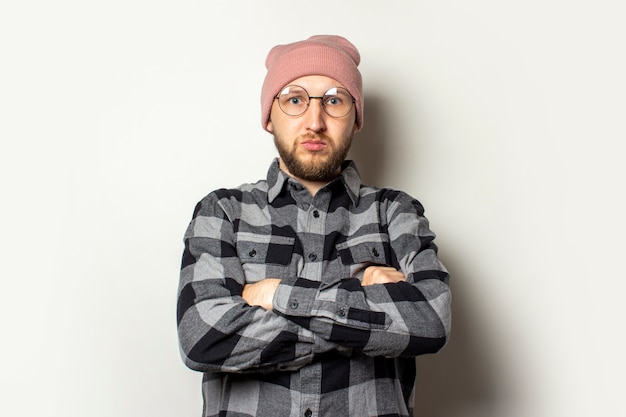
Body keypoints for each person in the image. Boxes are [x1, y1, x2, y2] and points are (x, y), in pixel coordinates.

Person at [177, 35, 451, 417]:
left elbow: (430, 321)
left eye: (334, 100)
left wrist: (276, 295)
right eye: (294, 99)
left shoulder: (395, 212)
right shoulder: (222, 211)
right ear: (270, 117)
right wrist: (364, 309)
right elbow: (203, 337)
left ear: (355, 118)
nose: (315, 121)